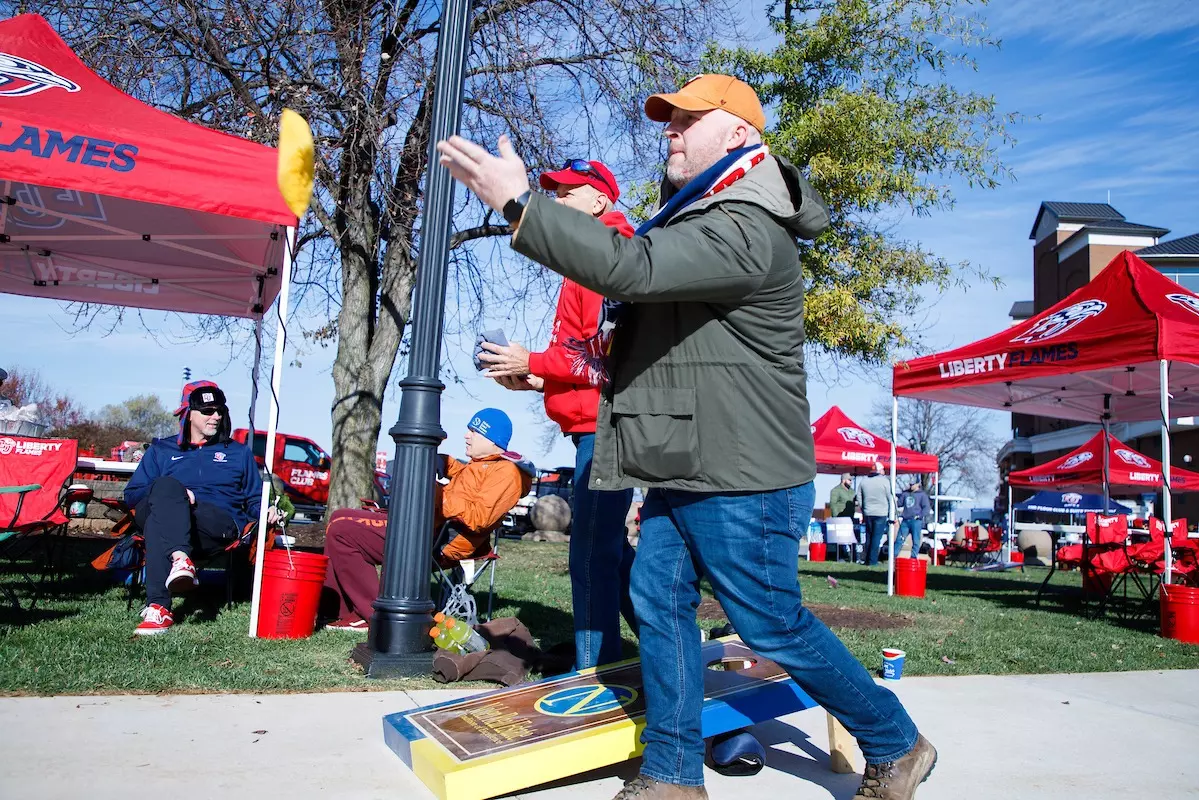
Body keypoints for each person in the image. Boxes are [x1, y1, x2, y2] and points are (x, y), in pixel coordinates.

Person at [437, 74, 935, 800]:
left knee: (771, 623)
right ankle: (672, 774)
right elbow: (666, 340)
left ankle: (896, 741)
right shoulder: (700, 215)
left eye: (685, 120)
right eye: (666, 121)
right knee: (659, 598)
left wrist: (520, 203)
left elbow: (629, 268)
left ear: (738, 135)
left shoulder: (744, 223)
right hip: (691, 460)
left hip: (745, 471)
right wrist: (560, 369)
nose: (668, 131)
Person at [480, 158, 639, 669]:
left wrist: (536, 361)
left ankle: (594, 674)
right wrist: (539, 377)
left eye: (568, 193)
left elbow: (605, 357)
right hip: (597, 426)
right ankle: (669, 650)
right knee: (615, 557)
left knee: (590, 555)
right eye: (554, 192)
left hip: (607, 429)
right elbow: (588, 364)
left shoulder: (606, 255)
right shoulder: (590, 258)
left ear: (599, 202)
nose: (557, 201)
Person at [322, 409, 533, 631]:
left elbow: (479, 517)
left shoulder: (507, 474)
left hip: (439, 539)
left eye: (474, 431)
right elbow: (464, 477)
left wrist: (435, 492)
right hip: (429, 527)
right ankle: (336, 610)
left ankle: (375, 614)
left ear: (493, 441)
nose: (466, 435)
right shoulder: (483, 465)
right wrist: (439, 462)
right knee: (339, 516)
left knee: (342, 530)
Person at [123, 380, 276, 635]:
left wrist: (265, 509)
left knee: (158, 519)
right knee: (165, 488)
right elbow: (132, 494)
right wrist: (178, 495)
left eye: (219, 411)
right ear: (188, 414)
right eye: (208, 411)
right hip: (169, 519)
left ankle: (158, 606)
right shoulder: (162, 450)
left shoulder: (238, 453)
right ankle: (180, 561)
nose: (215, 416)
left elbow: (253, 497)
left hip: (217, 525)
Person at [857, 462, 896, 567]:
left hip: (868, 513)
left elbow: (859, 497)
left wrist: (863, 508)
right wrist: (892, 513)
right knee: (876, 538)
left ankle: (867, 560)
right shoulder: (885, 481)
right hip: (881, 513)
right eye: (883, 469)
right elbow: (890, 497)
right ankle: (873, 561)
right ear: (879, 470)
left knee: (868, 537)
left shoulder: (864, 481)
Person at [896, 480, 931, 560]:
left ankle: (913, 557)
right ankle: (893, 557)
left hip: (916, 521)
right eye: (910, 484)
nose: (911, 486)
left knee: (916, 541)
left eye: (913, 484)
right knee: (899, 539)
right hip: (905, 521)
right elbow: (899, 503)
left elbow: (926, 508)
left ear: (918, 484)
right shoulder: (905, 494)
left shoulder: (922, 495)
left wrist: (919, 516)